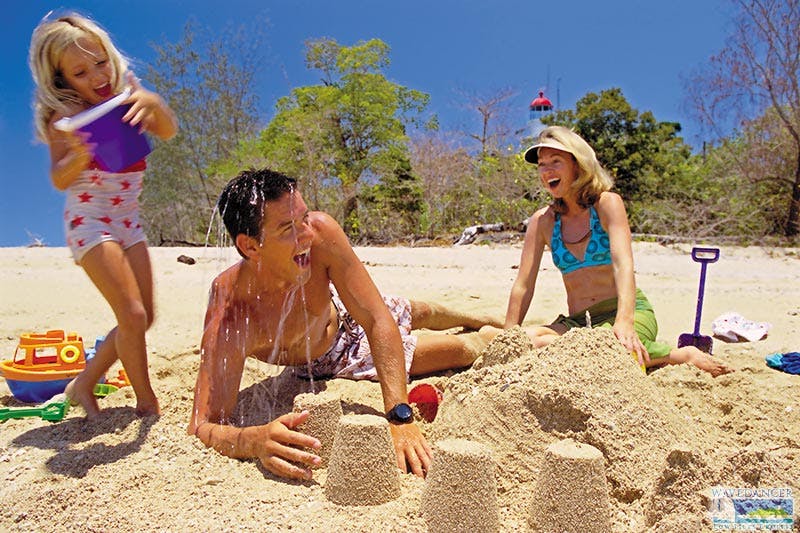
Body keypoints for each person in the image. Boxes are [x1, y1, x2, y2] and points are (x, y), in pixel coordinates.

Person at [188, 168, 500, 481]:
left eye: (304, 218)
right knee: (457, 350)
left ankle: (474, 317)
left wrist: (399, 416)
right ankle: (487, 336)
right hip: (335, 355)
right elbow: (203, 425)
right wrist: (253, 441)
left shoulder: (321, 233)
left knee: (416, 310)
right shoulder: (231, 312)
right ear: (251, 246)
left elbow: (377, 318)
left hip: (338, 306)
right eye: (288, 229)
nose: (307, 235)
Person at [29, 13, 178, 417]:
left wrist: (152, 104)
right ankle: (147, 403)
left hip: (128, 221)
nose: (97, 75)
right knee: (131, 313)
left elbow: (166, 129)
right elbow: (60, 178)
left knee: (144, 317)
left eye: (100, 62)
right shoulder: (64, 119)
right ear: (63, 81)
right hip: (89, 220)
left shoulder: (128, 94)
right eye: (80, 71)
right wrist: (79, 155)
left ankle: (83, 384)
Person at [505, 126, 732, 377]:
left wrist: (624, 321)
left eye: (556, 162)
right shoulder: (543, 221)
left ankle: (679, 355)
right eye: (541, 164)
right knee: (528, 341)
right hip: (579, 322)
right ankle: (644, 355)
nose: (546, 170)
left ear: (578, 165)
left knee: (612, 353)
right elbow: (523, 285)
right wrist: (508, 337)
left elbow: (623, 264)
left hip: (626, 312)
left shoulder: (607, 204)